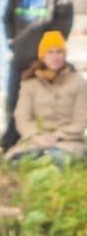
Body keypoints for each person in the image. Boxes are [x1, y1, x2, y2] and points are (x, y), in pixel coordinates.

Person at [1, 0, 74, 150]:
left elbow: (64, 20)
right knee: (13, 100)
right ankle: (11, 143)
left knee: (41, 105)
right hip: (20, 52)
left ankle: (43, 145)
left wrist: (50, 54)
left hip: (44, 58)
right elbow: (9, 16)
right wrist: (13, 40)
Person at [8, 32, 87, 164]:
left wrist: (57, 136)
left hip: (67, 142)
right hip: (35, 141)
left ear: (65, 55)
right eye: (50, 52)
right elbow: (22, 117)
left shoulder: (78, 82)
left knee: (55, 160)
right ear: (43, 56)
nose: (55, 57)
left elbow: (81, 120)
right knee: (20, 161)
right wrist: (35, 135)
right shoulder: (30, 83)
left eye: (59, 52)